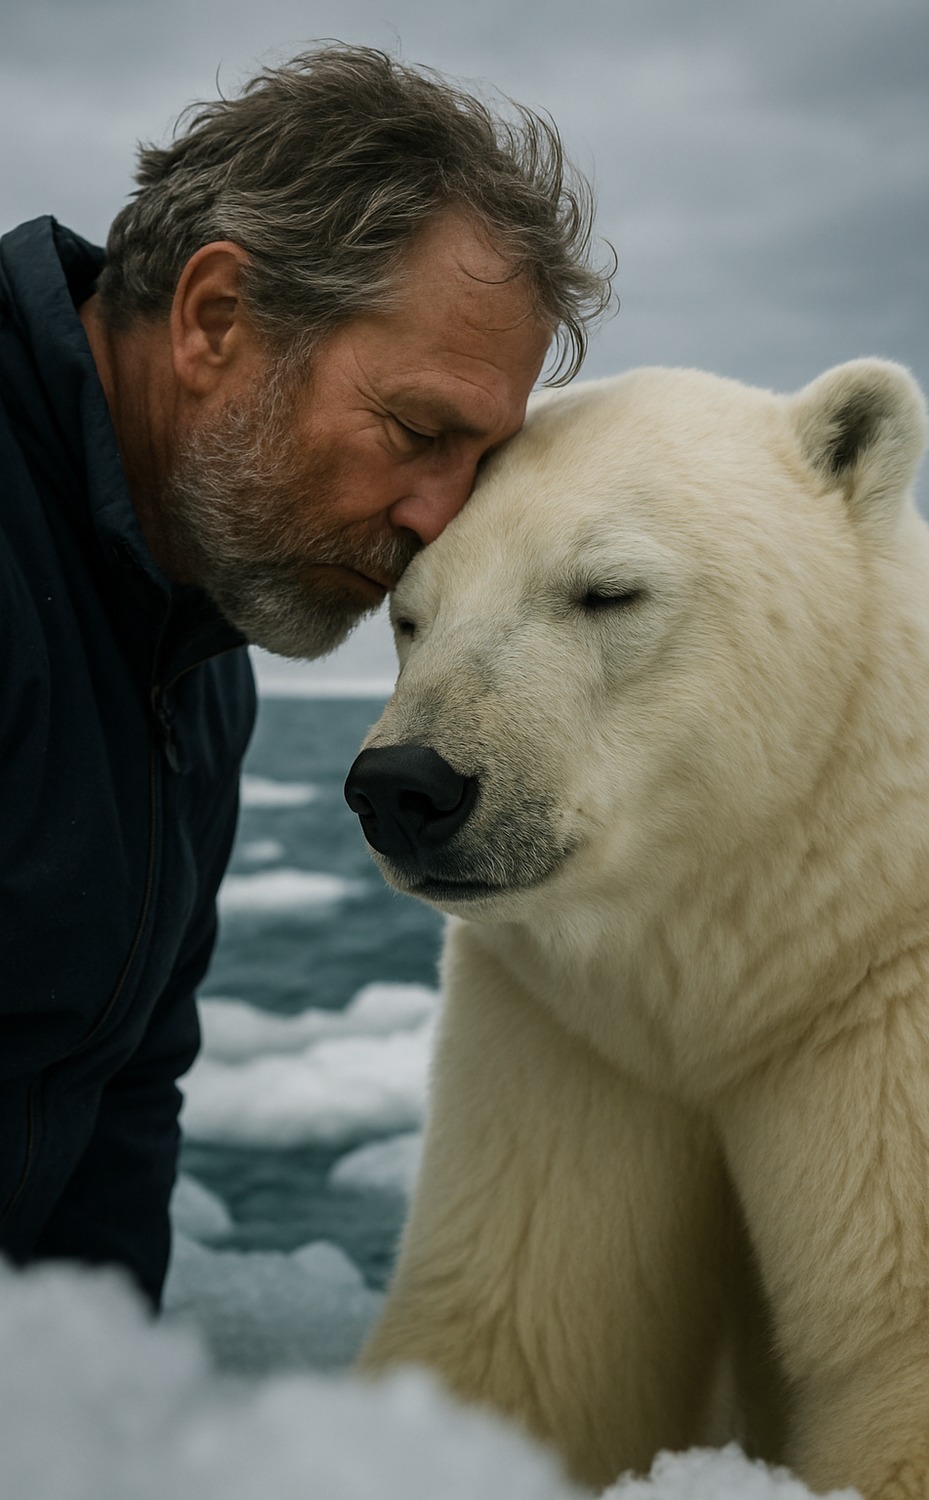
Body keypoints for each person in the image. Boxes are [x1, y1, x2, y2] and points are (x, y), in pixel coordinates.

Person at [0, 44, 612, 1307]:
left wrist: (92, 1405)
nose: (443, 520)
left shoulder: (199, 634)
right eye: (417, 432)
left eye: (480, 461)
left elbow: (122, 1083)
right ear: (217, 319)